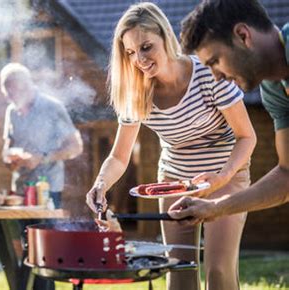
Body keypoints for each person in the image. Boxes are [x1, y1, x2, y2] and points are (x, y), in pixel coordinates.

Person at [85, 3, 256, 290]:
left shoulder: (207, 73)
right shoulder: (136, 91)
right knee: (178, 271)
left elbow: (247, 137)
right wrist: (101, 184)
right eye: (130, 52)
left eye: (146, 47)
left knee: (219, 272)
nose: (139, 59)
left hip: (225, 175)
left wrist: (222, 177)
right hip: (175, 181)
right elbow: (118, 155)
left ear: (165, 37)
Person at [168, 0, 289, 224]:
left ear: (243, 35)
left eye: (215, 61)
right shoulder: (275, 90)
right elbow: (286, 176)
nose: (216, 77)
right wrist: (214, 207)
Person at [0, 63, 83, 208]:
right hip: (20, 189)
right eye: (7, 96)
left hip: (48, 188)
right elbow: (8, 146)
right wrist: (9, 160)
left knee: (45, 231)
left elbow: (75, 147)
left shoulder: (52, 107)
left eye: (12, 94)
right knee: (21, 232)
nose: (10, 100)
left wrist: (42, 158)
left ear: (25, 86)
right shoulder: (11, 111)